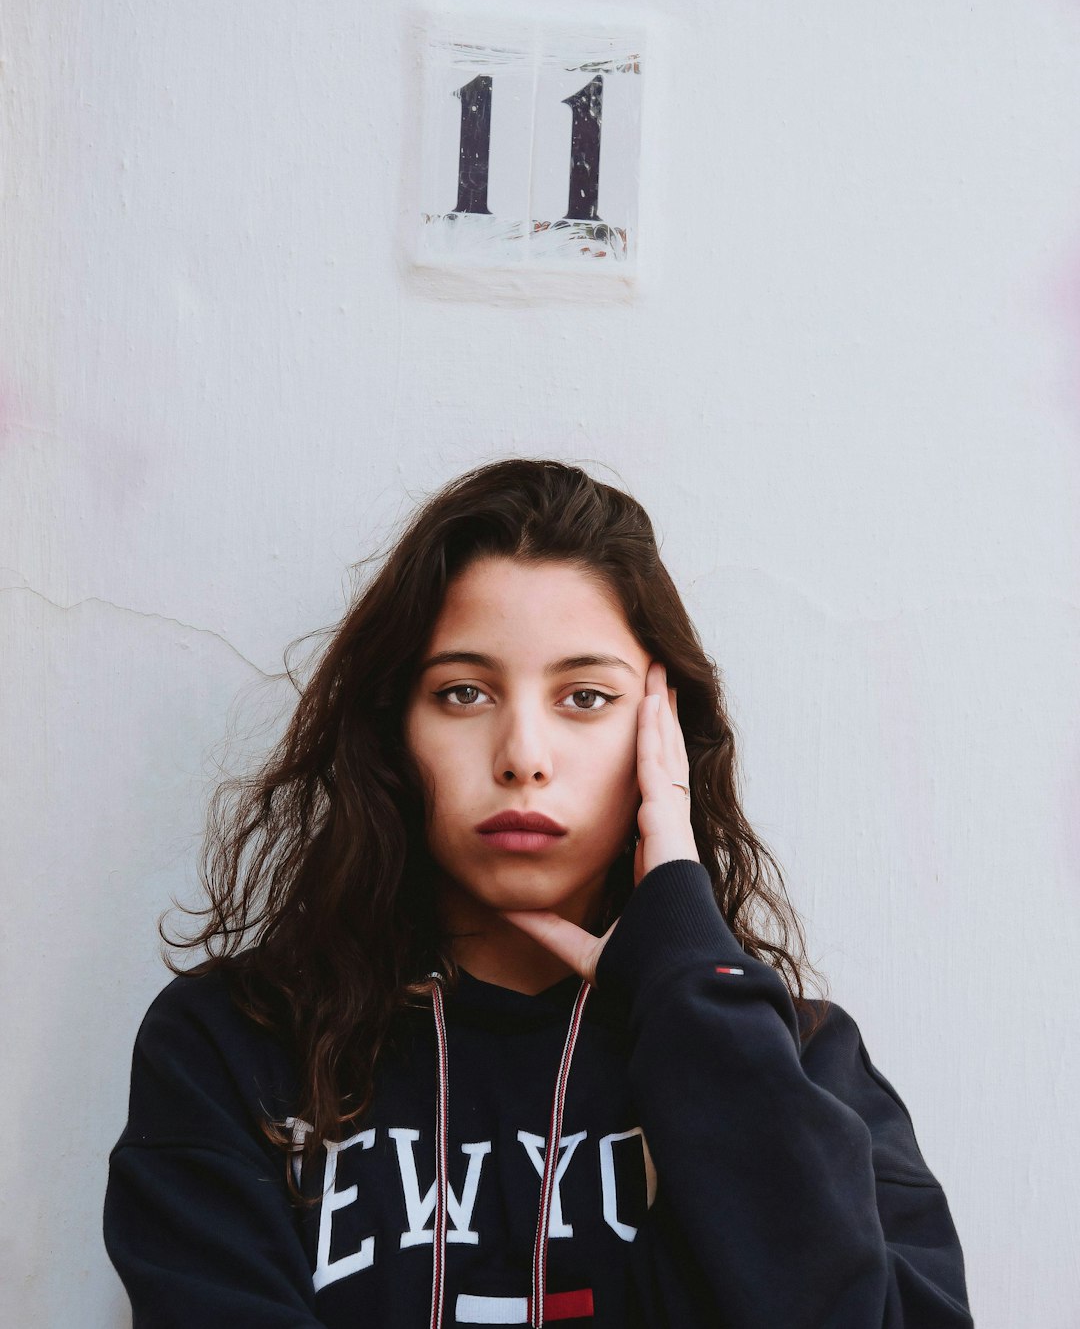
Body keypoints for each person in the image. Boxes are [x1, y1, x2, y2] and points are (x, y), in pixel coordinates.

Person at [103, 458, 974, 1328]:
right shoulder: (234, 1047)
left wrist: (686, 975)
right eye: (463, 693)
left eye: (585, 697)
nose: (522, 753)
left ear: (663, 735)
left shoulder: (800, 1067)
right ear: (394, 730)